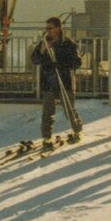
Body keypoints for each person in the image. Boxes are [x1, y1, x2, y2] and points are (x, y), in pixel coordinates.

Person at [31, 17, 83, 148]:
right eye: (47, 28)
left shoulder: (68, 43)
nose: (48, 31)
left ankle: (77, 130)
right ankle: (46, 136)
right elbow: (35, 60)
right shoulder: (44, 43)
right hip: (48, 80)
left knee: (69, 108)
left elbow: (77, 62)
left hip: (64, 80)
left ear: (58, 28)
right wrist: (42, 50)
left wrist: (60, 64)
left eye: (50, 28)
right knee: (48, 110)